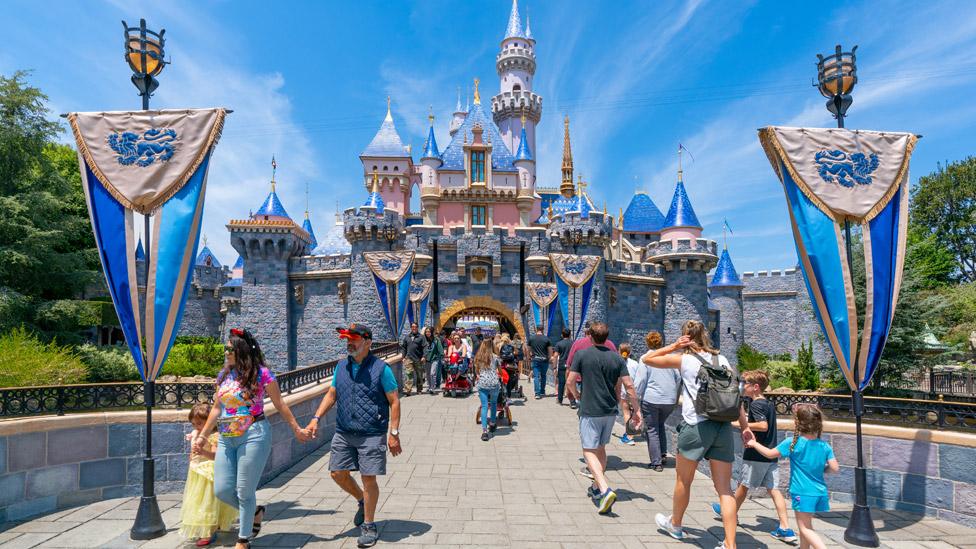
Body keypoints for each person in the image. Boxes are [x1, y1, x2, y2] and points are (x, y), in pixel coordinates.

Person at [194, 328, 311, 549]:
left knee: (244, 491)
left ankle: (243, 539)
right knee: (222, 489)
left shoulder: (262, 374)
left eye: (230, 348)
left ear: (242, 350)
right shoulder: (224, 375)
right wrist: (202, 436)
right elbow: (217, 409)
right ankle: (256, 511)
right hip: (227, 437)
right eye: (226, 348)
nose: (226, 351)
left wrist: (296, 428)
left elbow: (280, 404)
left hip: (253, 434)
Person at [643, 320, 753, 549]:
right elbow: (734, 396)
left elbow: (648, 359)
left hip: (696, 426)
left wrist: (673, 346)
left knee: (684, 480)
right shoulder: (722, 360)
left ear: (686, 337)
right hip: (722, 427)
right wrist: (744, 426)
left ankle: (676, 525)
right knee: (725, 489)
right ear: (705, 335)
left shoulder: (685, 359)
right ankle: (730, 544)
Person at [306, 323, 402, 548]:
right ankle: (361, 500)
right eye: (348, 340)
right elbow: (332, 394)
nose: (350, 343)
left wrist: (394, 433)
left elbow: (394, 401)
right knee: (337, 473)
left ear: (367, 342)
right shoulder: (341, 366)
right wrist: (316, 418)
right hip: (344, 430)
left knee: (369, 477)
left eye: (354, 339)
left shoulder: (381, 369)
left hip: (371, 432)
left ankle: (369, 524)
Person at [711, 370, 797, 543]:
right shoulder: (768, 404)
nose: (742, 386)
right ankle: (786, 528)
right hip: (770, 454)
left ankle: (729, 513)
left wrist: (739, 424)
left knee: (743, 485)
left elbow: (763, 426)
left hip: (756, 453)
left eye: (745, 383)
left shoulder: (757, 405)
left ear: (755, 387)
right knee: (774, 490)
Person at [566, 322, 641, 515]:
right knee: (601, 448)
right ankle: (597, 487)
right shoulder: (617, 358)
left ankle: (605, 489)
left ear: (590, 336)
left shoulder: (582, 355)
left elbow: (570, 380)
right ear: (607, 337)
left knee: (588, 451)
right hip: (609, 410)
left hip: (590, 409)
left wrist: (577, 396)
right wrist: (637, 410)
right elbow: (629, 386)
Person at [745, 404, 838, 549]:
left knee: (805, 529)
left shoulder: (793, 443)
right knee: (807, 525)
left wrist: (754, 443)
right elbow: (834, 468)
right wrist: (821, 469)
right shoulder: (824, 445)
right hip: (819, 492)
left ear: (798, 423)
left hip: (802, 492)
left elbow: (769, 454)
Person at [180, 403, 236, 547]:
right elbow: (193, 451)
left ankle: (208, 532)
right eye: (193, 423)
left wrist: (203, 452)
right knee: (197, 501)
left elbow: (216, 455)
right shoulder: (195, 433)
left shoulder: (214, 436)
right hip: (196, 472)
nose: (197, 426)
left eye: (200, 423)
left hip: (208, 473)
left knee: (207, 503)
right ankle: (211, 526)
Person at [641, 331, 681, 471]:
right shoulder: (670, 357)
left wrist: (635, 398)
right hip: (669, 400)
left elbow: (641, 381)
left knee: (652, 429)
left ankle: (656, 462)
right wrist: (674, 396)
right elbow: (678, 378)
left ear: (647, 342)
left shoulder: (646, 358)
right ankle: (663, 454)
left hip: (651, 398)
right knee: (660, 425)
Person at [472, 340, 502, 441]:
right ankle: (492, 423)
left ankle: (485, 432)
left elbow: (476, 371)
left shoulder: (478, 357)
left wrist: (479, 375)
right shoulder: (496, 357)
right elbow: (500, 371)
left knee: (484, 406)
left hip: (483, 383)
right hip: (494, 383)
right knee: (493, 403)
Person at [617, 343, 644, 446]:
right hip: (634, 392)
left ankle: (629, 436)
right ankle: (630, 434)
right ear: (630, 352)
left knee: (626, 413)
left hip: (623, 392)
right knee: (633, 413)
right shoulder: (635, 364)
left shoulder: (618, 363)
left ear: (619, 351)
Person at [399, 322, 427, 396]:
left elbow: (424, 347)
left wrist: (424, 356)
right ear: (411, 328)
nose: (413, 328)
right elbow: (404, 347)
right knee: (409, 374)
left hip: (418, 359)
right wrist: (403, 357)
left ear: (417, 328)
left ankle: (419, 389)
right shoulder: (407, 337)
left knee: (419, 375)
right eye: (412, 327)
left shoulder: (421, 337)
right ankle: (408, 390)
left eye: (415, 327)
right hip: (409, 358)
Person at [527, 326, 554, 399]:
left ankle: (537, 393)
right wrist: (549, 357)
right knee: (543, 375)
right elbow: (550, 350)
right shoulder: (547, 339)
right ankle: (542, 391)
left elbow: (528, 349)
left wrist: (528, 357)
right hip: (544, 360)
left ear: (536, 329)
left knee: (536, 376)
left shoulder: (531, 338)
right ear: (543, 329)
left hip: (535, 359)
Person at [553, 329, 573, 406]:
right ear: (570, 335)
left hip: (562, 365)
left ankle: (560, 400)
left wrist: (554, 367)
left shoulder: (559, 344)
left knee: (561, 383)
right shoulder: (573, 343)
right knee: (571, 383)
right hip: (571, 365)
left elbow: (555, 356)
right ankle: (572, 401)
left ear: (562, 335)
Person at [423, 326, 445, 394]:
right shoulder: (423, 340)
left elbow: (440, 348)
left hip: (434, 358)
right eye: (426, 332)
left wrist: (442, 355)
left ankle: (433, 387)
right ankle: (430, 386)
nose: (427, 333)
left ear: (431, 332)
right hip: (426, 359)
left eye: (429, 332)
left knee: (433, 373)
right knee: (428, 374)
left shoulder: (436, 339)